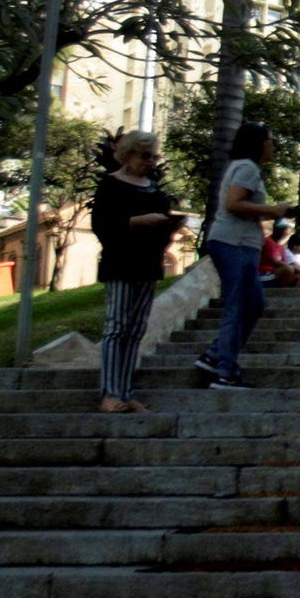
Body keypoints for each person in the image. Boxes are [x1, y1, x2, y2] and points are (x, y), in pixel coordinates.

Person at [197, 122, 300, 389]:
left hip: (239, 244)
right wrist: (273, 210)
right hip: (235, 243)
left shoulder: (246, 168)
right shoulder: (247, 168)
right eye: (270, 141)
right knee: (239, 305)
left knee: (254, 304)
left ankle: (215, 355)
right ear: (258, 144)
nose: (273, 146)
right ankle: (225, 372)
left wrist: (279, 211)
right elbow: (233, 204)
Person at [91, 130, 184, 413]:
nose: (151, 161)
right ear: (129, 155)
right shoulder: (111, 186)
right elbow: (103, 226)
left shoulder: (155, 191)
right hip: (120, 263)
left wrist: (168, 227)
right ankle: (110, 393)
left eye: (154, 156)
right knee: (116, 327)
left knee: (134, 330)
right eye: (146, 156)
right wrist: (139, 221)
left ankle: (125, 391)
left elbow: (163, 225)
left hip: (148, 264)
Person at [260, 219, 300, 288]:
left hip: (275, 273)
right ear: (279, 230)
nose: (287, 232)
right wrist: (295, 268)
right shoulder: (268, 242)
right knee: (288, 269)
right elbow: (276, 261)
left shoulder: (280, 246)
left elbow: (285, 262)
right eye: (286, 230)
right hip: (265, 274)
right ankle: (283, 293)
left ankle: (297, 296)